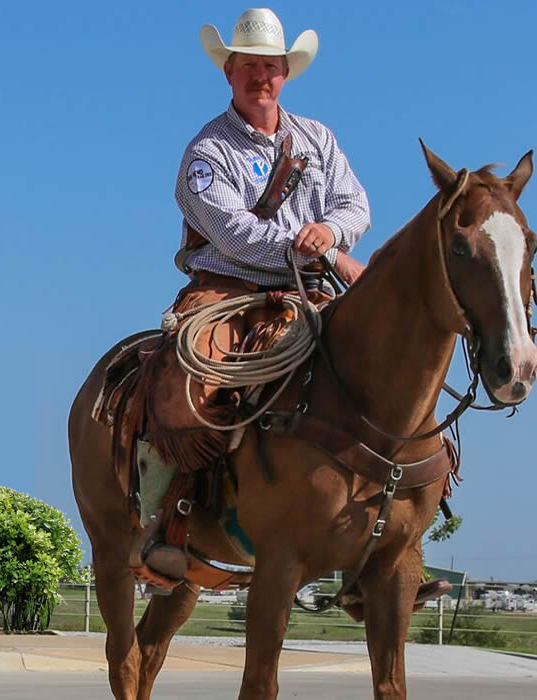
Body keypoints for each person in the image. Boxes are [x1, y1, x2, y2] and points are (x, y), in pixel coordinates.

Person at [131, 7, 373, 587]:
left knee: (377, 368)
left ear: (285, 73)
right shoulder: (206, 153)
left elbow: (354, 205)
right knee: (191, 373)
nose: (262, 77)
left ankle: (375, 533)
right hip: (227, 287)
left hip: (310, 288)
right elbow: (236, 235)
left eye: (272, 67)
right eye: (250, 67)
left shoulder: (318, 138)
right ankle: (166, 522)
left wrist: (333, 233)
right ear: (229, 73)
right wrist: (311, 248)